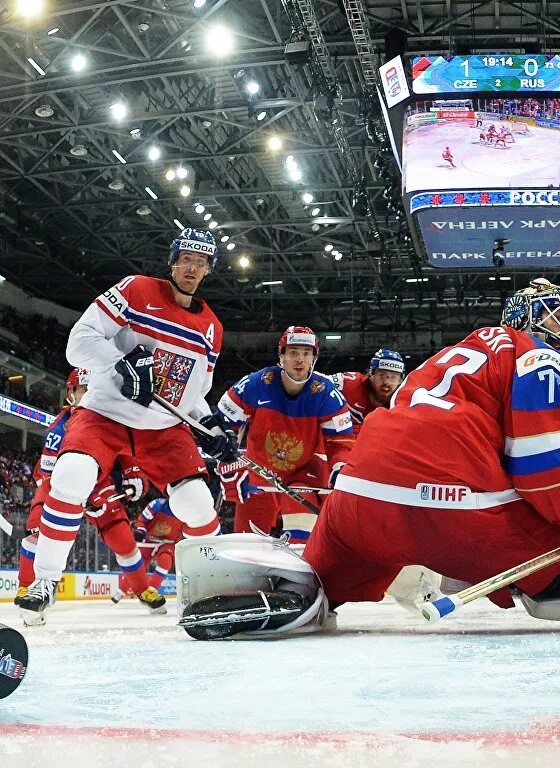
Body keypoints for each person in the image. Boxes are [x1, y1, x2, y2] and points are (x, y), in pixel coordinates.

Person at [176, 284, 560, 639]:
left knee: (321, 586)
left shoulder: (441, 359)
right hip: (454, 508)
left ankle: (276, 588)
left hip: (356, 509)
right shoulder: (537, 358)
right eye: (558, 319)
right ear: (527, 318)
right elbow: (548, 473)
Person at [18, 228, 236, 623]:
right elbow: (78, 342)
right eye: (186, 258)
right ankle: (45, 581)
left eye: (201, 262)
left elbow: (192, 395)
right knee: (71, 475)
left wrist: (212, 427)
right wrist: (123, 361)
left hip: (163, 427)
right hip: (105, 412)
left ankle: (212, 586)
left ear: (209, 270)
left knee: (198, 503)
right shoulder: (135, 289)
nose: (192, 267)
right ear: (172, 262)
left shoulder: (212, 329)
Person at [14, 370, 165, 623]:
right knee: (38, 531)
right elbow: (48, 477)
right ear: (70, 395)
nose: (89, 395)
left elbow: (129, 457)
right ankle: (28, 586)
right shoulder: (59, 428)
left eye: (93, 389)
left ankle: (142, 589)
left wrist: (134, 475)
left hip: (99, 483)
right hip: (58, 484)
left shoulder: (111, 420)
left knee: (124, 542)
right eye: (84, 389)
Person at [216, 326, 353, 546]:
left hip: (303, 476)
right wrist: (228, 462)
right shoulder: (256, 384)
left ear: (314, 359)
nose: (299, 360)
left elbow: (341, 442)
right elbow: (221, 423)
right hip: (259, 472)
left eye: (306, 353)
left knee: (301, 544)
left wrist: (340, 468)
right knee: (244, 546)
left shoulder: (326, 393)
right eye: (293, 352)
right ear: (281, 356)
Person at [327, 348, 404, 462]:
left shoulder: (402, 403)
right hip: (333, 450)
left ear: (400, 380)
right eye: (382, 375)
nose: (387, 383)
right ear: (370, 374)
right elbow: (315, 387)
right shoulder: (347, 383)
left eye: (393, 377)